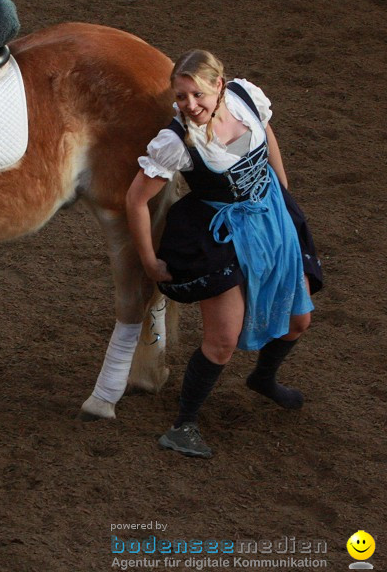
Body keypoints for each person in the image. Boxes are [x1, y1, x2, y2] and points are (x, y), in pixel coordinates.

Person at [126, 49, 323, 458]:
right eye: (180, 97)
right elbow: (135, 199)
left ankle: (263, 379)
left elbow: (268, 140)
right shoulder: (176, 140)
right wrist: (148, 261)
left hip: (271, 219)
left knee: (299, 320)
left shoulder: (246, 98)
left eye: (196, 94)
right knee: (222, 340)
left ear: (219, 86)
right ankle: (184, 425)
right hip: (222, 236)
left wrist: (285, 201)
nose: (189, 106)